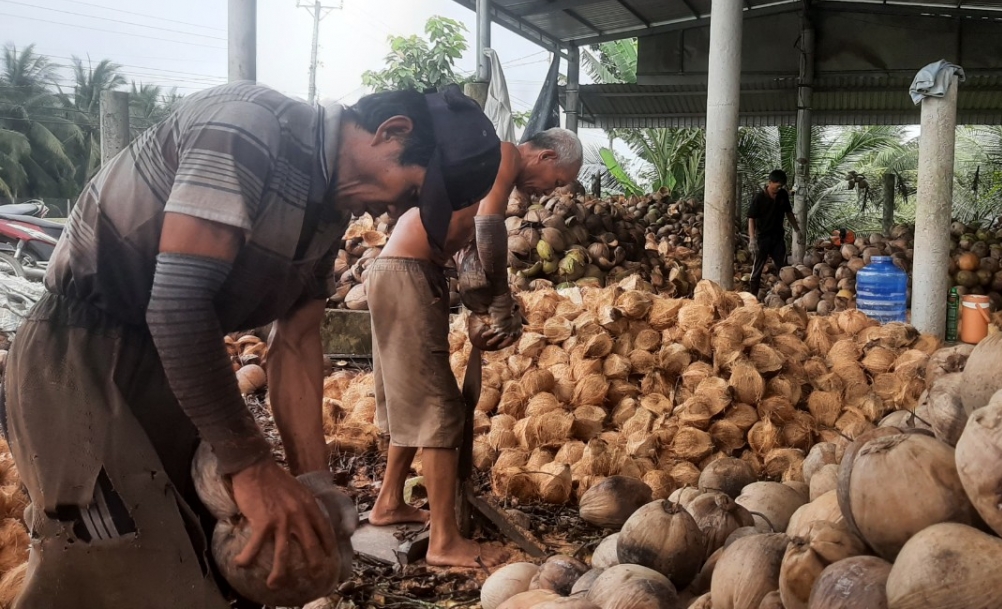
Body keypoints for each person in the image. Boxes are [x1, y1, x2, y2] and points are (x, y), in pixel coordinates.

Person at [2, 82, 503, 608]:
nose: (393, 209)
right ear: (392, 131)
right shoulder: (249, 128)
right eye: (410, 190)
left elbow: (298, 343)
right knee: (110, 563)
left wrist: (316, 486)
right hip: (79, 354)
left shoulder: (330, 208)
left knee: (197, 549)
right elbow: (177, 303)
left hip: (169, 362)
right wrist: (252, 465)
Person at [364, 128, 582, 567]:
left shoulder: (478, 167)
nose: (549, 192)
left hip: (397, 269)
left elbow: (468, 261)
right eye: (557, 180)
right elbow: (487, 230)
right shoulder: (502, 154)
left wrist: (481, 312)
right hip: (406, 271)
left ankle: (389, 501)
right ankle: (445, 542)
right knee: (439, 409)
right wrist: (501, 297)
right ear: (541, 155)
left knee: (413, 403)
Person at [747, 169, 801, 296]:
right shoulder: (759, 198)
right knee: (758, 268)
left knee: (783, 267)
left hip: (777, 237)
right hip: (763, 238)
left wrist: (797, 230)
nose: (778, 189)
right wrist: (752, 239)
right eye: (776, 186)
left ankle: (785, 295)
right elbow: (751, 218)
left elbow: (789, 213)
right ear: (770, 182)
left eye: (781, 186)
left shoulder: (782, 195)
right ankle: (752, 296)